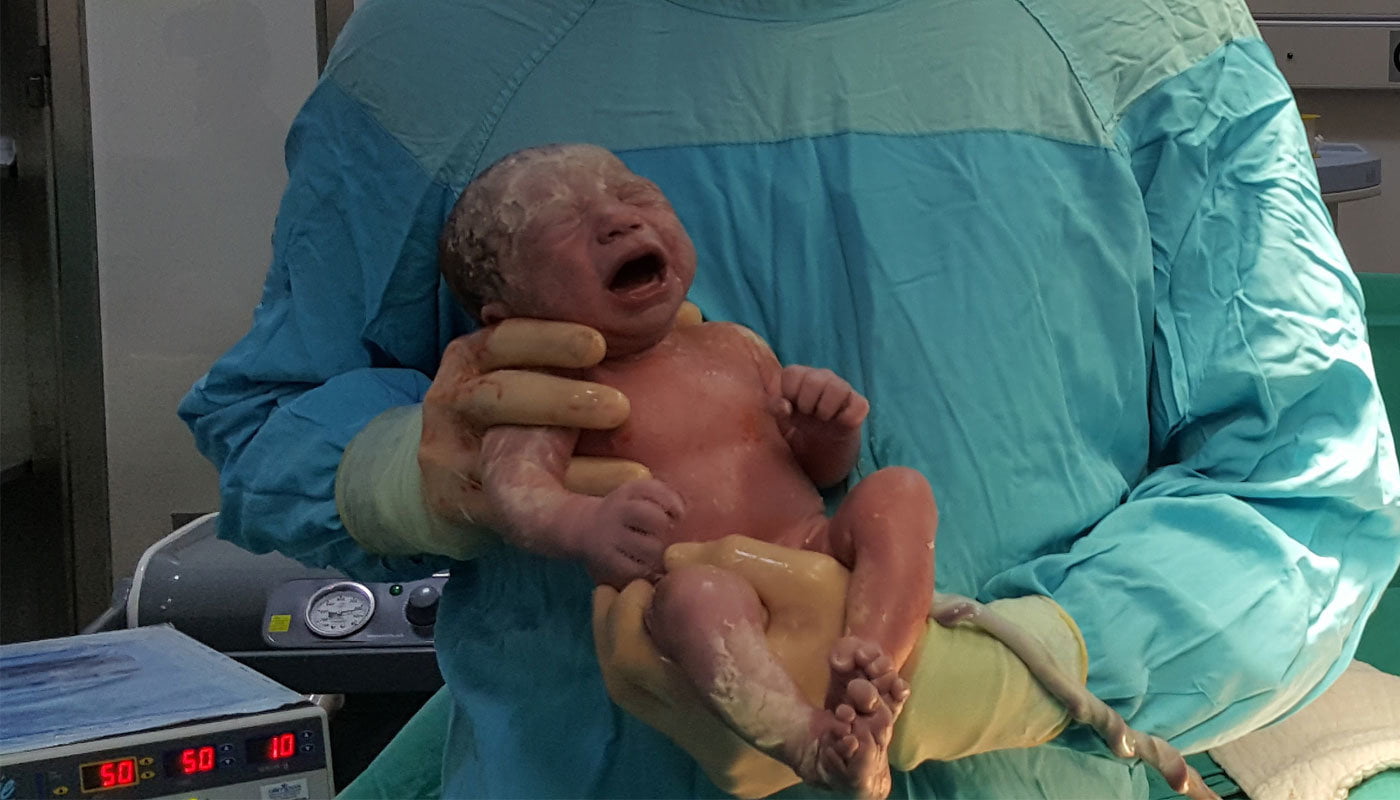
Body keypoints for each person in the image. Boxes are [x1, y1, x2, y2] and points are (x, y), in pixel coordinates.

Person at [178, 1, 1400, 798]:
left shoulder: (1138, 33)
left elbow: (1303, 488)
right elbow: (271, 413)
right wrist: (407, 467)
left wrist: (1006, 672)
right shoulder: (448, 46)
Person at [441, 142, 936, 797]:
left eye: (635, 195)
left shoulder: (733, 344)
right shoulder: (550, 387)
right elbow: (516, 491)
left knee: (899, 491)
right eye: (563, 222)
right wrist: (587, 523)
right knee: (698, 599)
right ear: (506, 316)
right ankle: (809, 741)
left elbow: (815, 475)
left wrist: (826, 432)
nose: (618, 219)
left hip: (811, 544)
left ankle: (871, 670)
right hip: (696, 579)